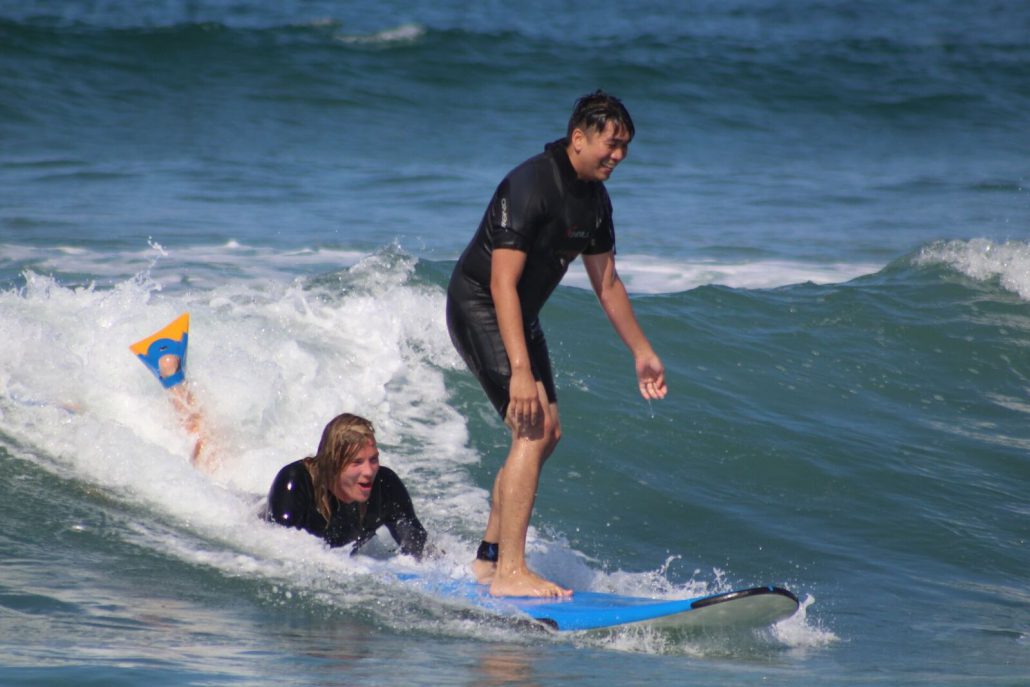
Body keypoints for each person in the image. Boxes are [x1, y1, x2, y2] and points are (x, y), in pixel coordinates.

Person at [446, 90, 668, 598]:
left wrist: (642, 351)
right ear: (578, 138)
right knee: (531, 428)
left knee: (549, 434)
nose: (618, 156)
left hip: (520, 314)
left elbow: (607, 282)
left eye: (625, 147)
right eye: (611, 144)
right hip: (479, 303)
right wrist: (521, 372)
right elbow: (501, 283)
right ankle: (510, 573)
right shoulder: (529, 186)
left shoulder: (595, 201)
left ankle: (488, 558)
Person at [265, 413, 428, 558]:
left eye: (373, 459)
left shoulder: (385, 486)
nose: (369, 471)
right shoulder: (296, 483)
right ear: (332, 464)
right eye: (357, 462)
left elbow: (420, 550)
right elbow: (279, 552)